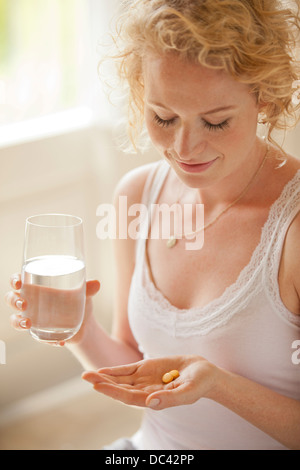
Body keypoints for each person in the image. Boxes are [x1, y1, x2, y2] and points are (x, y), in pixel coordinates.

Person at [5, 0, 300, 450]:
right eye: (163, 116)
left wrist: (219, 385)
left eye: (216, 122)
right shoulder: (137, 195)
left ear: (267, 98)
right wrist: (80, 327)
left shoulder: (293, 229)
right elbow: (139, 369)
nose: (185, 147)